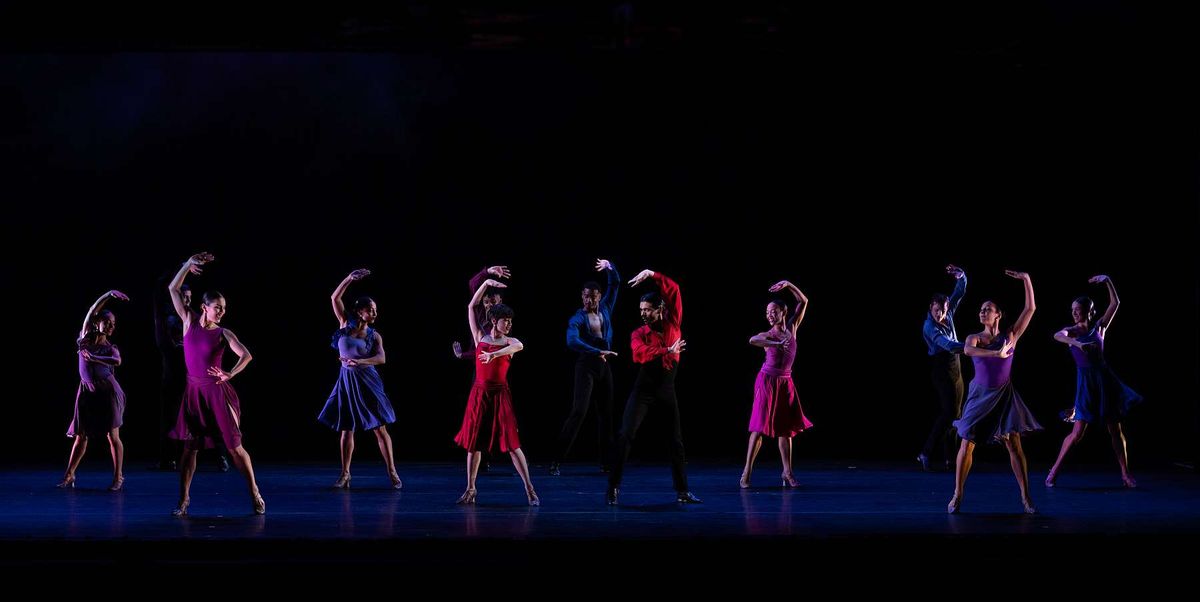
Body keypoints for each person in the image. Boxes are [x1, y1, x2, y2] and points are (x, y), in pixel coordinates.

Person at [166, 252, 265, 516]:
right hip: (194, 393)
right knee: (189, 449)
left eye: (224, 308)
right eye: (218, 307)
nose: (222, 311)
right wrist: (188, 264)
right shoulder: (188, 322)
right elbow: (173, 288)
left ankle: (255, 492)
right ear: (204, 307)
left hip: (216, 392)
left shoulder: (224, 333)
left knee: (234, 448)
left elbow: (246, 355)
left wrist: (230, 373)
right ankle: (184, 501)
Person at [948, 270, 1043, 515]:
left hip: (1003, 395)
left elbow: (1030, 309)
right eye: (981, 309)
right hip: (980, 396)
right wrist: (996, 354)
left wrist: (1026, 279)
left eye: (988, 309)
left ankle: (1026, 496)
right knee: (967, 443)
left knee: (1014, 444)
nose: (982, 312)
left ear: (998, 314)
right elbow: (968, 351)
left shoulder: (1010, 335)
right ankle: (958, 494)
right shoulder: (975, 338)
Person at [1045, 275, 1143, 488]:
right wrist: (1077, 344)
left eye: (1078, 309)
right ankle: (1054, 470)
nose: (1074, 312)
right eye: (1072, 309)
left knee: (1115, 429)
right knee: (1077, 433)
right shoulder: (1071, 332)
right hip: (1086, 384)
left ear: (1089, 311)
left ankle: (1125, 474)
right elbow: (1057, 335)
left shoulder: (1099, 327)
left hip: (1104, 381)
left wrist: (1108, 280)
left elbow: (1115, 303)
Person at [317, 268, 403, 490]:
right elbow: (334, 298)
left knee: (379, 428)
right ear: (359, 311)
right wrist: (349, 278)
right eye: (370, 310)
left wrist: (361, 362)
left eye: (375, 310)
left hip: (367, 380)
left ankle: (392, 471)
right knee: (346, 428)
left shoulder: (374, 335)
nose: (374, 313)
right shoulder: (344, 323)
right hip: (346, 380)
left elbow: (382, 358)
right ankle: (345, 474)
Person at [739, 280, 812, 488]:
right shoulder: (768, 335)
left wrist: (788, 284)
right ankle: (746, 472)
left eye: (774, 311)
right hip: (767, 381)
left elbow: (804, 301)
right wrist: (775, 344)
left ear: (783, 312)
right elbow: (752, 340)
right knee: (758, 427)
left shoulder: (792, 328)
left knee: (785, 429)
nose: (770, 315)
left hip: (785, 382)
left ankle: (787, 472)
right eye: (767, 312)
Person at [58, 290, 130, 492]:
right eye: (107, 322)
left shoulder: (110, 347)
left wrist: (96, 358)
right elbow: (91, 311)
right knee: (80, 435)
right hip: (86, 390)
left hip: (108, 391)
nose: (111, 326)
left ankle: (118, 477)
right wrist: (108, 295)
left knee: (112, 435)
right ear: (97, 322)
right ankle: (69, 475)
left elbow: (117, 360)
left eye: (113, 323)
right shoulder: (84, 339)